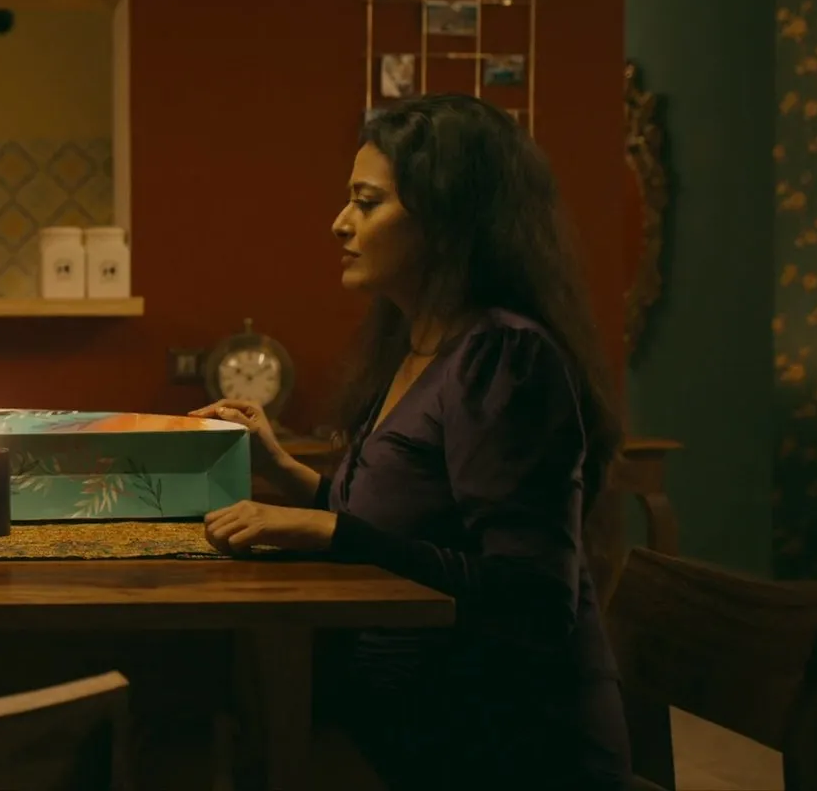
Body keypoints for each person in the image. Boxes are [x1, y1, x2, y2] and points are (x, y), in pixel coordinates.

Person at [192, 95, 630, 790]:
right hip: (410, 715)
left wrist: (332, 533)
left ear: (448, 219)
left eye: (367, 203)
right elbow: (404, 521)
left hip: (500, 744)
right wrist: (281, 469)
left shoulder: (504, 358)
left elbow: (531, 597)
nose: (340, 223)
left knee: (202, 739)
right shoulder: (417, 344)